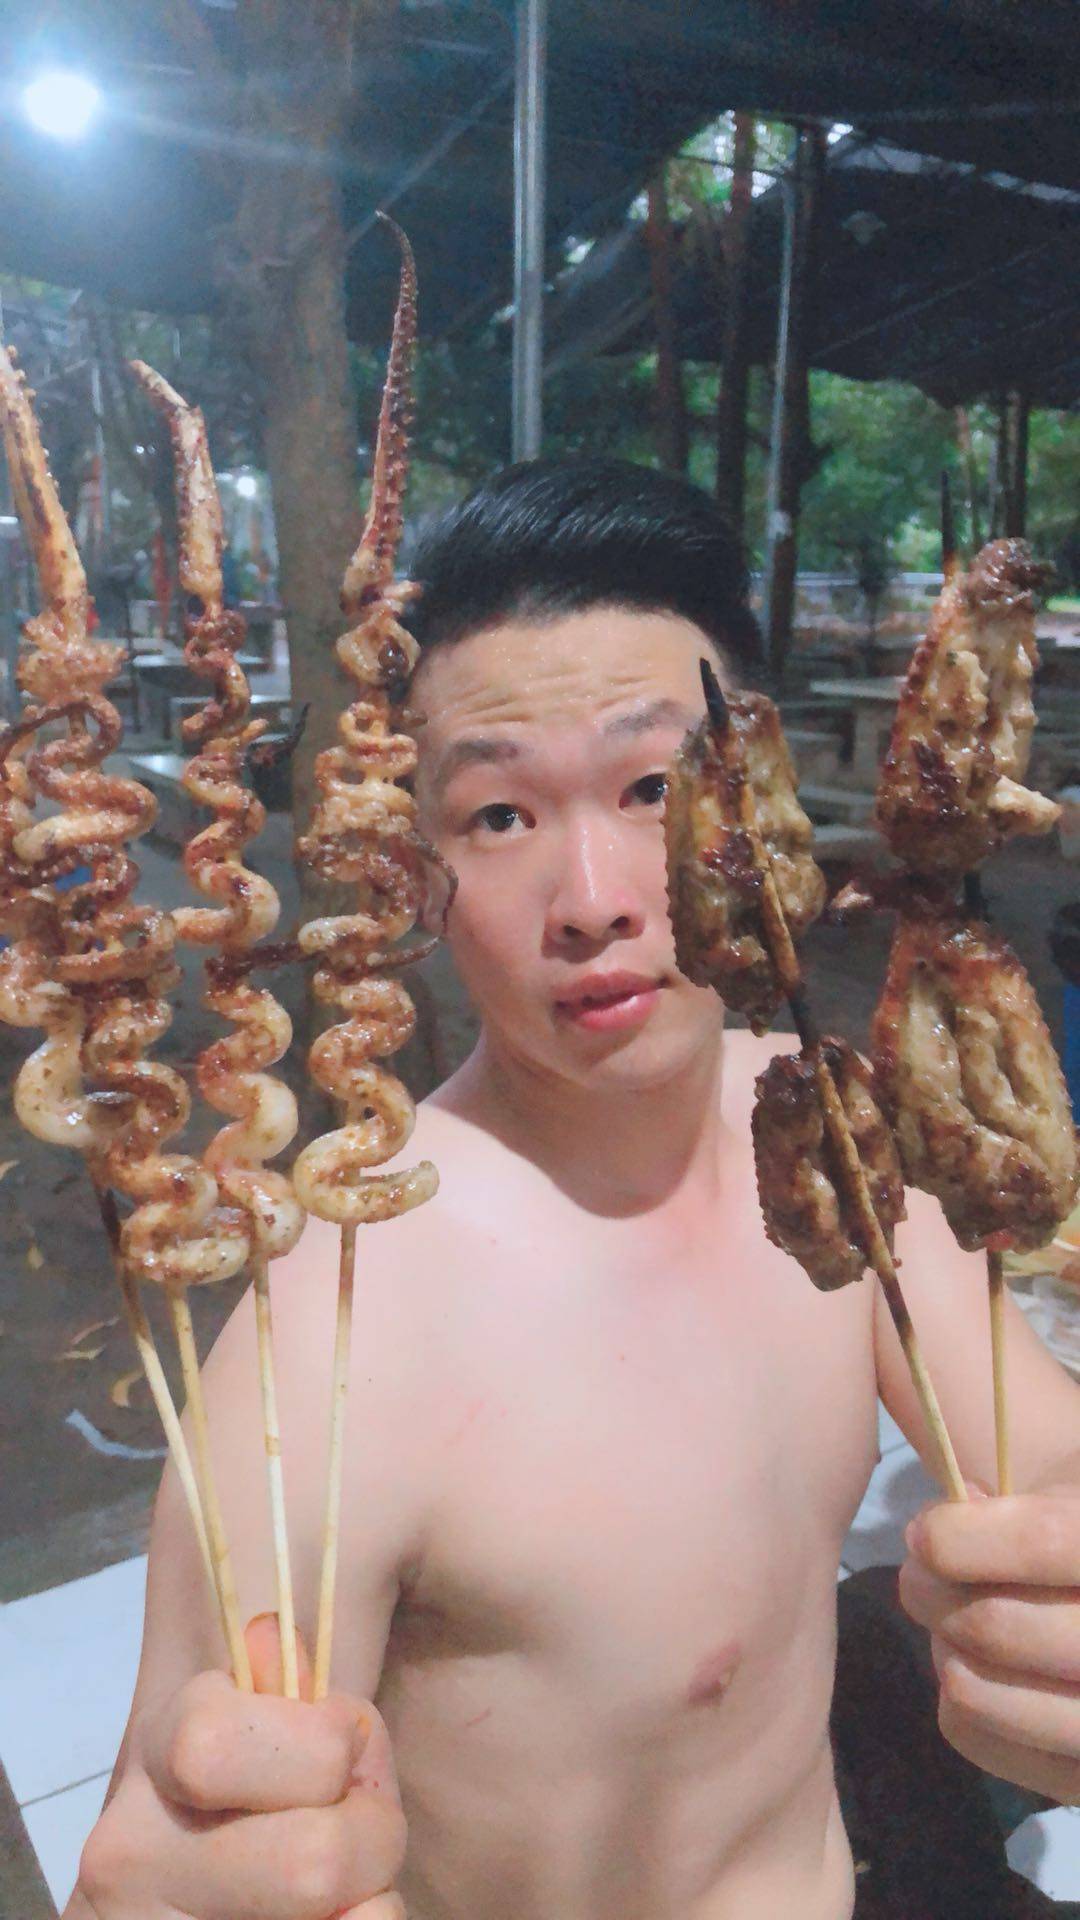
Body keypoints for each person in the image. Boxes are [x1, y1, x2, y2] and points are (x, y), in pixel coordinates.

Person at [68, 461, 1080, 1920]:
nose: (596, 895)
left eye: (656, 787)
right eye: (498, 816)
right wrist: (188, 1882)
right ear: (415, 871)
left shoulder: (835, 1142)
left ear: (758, 798)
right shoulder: (335, 1332)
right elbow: (196, 1813)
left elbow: (1046, 1459)